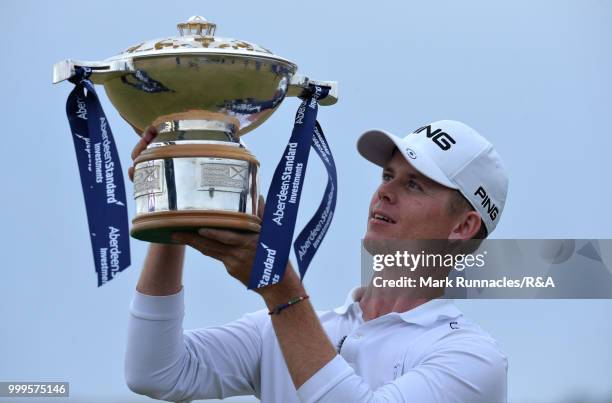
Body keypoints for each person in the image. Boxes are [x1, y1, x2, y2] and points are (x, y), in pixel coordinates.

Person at [125, 120, 509, 402]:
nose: (384, 192)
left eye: (413, 184)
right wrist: (172, 210)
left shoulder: (472, 358)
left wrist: (280, 289)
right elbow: (155, 371)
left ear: (463, 226)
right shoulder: (287, 328)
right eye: (388, 175)